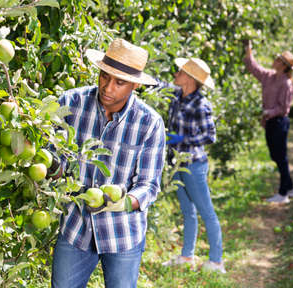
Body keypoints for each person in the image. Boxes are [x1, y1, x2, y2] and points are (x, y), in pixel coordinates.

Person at [51, 38, 166, 288]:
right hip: (75, 227)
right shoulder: (70, 104)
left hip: (123, 233)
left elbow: (149, 185)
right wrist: (49, 165)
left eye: (119, 82)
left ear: (135, 84)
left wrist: (124, 203)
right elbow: (53, 158)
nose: (108, 87)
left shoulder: (149, 123)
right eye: (104, 76)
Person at [158, 58, 226, 273]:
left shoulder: (201, 104)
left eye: (180, 71)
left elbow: (210, 136)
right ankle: (187, 256)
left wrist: (182, 139)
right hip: (176, 163)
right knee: (188, 211)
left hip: (193, 165)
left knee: (207, 212)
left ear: (189, 78)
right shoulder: (177, 95)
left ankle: (216, 261)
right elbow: (158, 85)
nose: (175, 73)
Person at [243, 40, 293, 204]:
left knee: (281, 157)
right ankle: (290, 187)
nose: (274, 60)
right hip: (270, 123)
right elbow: (254, 68)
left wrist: (268, 112)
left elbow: (283, 108)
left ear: (283, 65)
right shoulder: (269, 76)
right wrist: (248, 51)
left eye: (278, 59)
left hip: (279, 122)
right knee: (276, 155)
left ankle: (283, 194)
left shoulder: (286, 83)